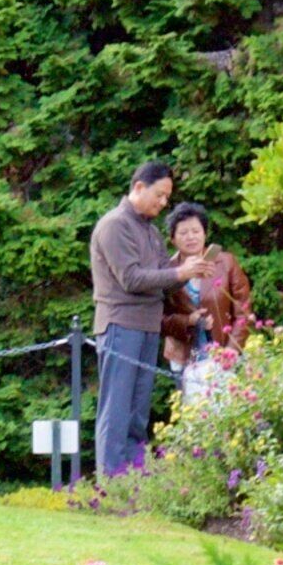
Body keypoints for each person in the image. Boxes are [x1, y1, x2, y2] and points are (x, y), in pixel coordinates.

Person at [86, 160, 191, 476]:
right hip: (120, 325)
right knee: (116, 408)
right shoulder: (114, 225)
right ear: (139, 187)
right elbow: (130, 279)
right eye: (159, 195)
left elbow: (164, 278)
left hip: (147, 327)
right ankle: (110, 484)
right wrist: (179, 270)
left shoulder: (151, 232)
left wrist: (191, 270)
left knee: (137, 412)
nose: (162, 204)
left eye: (166, 199)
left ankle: (133, 480)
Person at [158, 202, 252, 374]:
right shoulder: (166, 271)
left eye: (196, 231)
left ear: (205, 233)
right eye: (183, 233)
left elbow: (243, 310)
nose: (190, 237)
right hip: (184, 357)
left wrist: (233, 348)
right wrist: (188, 321)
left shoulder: (226, 262)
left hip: (224, 353)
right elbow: (158, 319)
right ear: (172, 238)